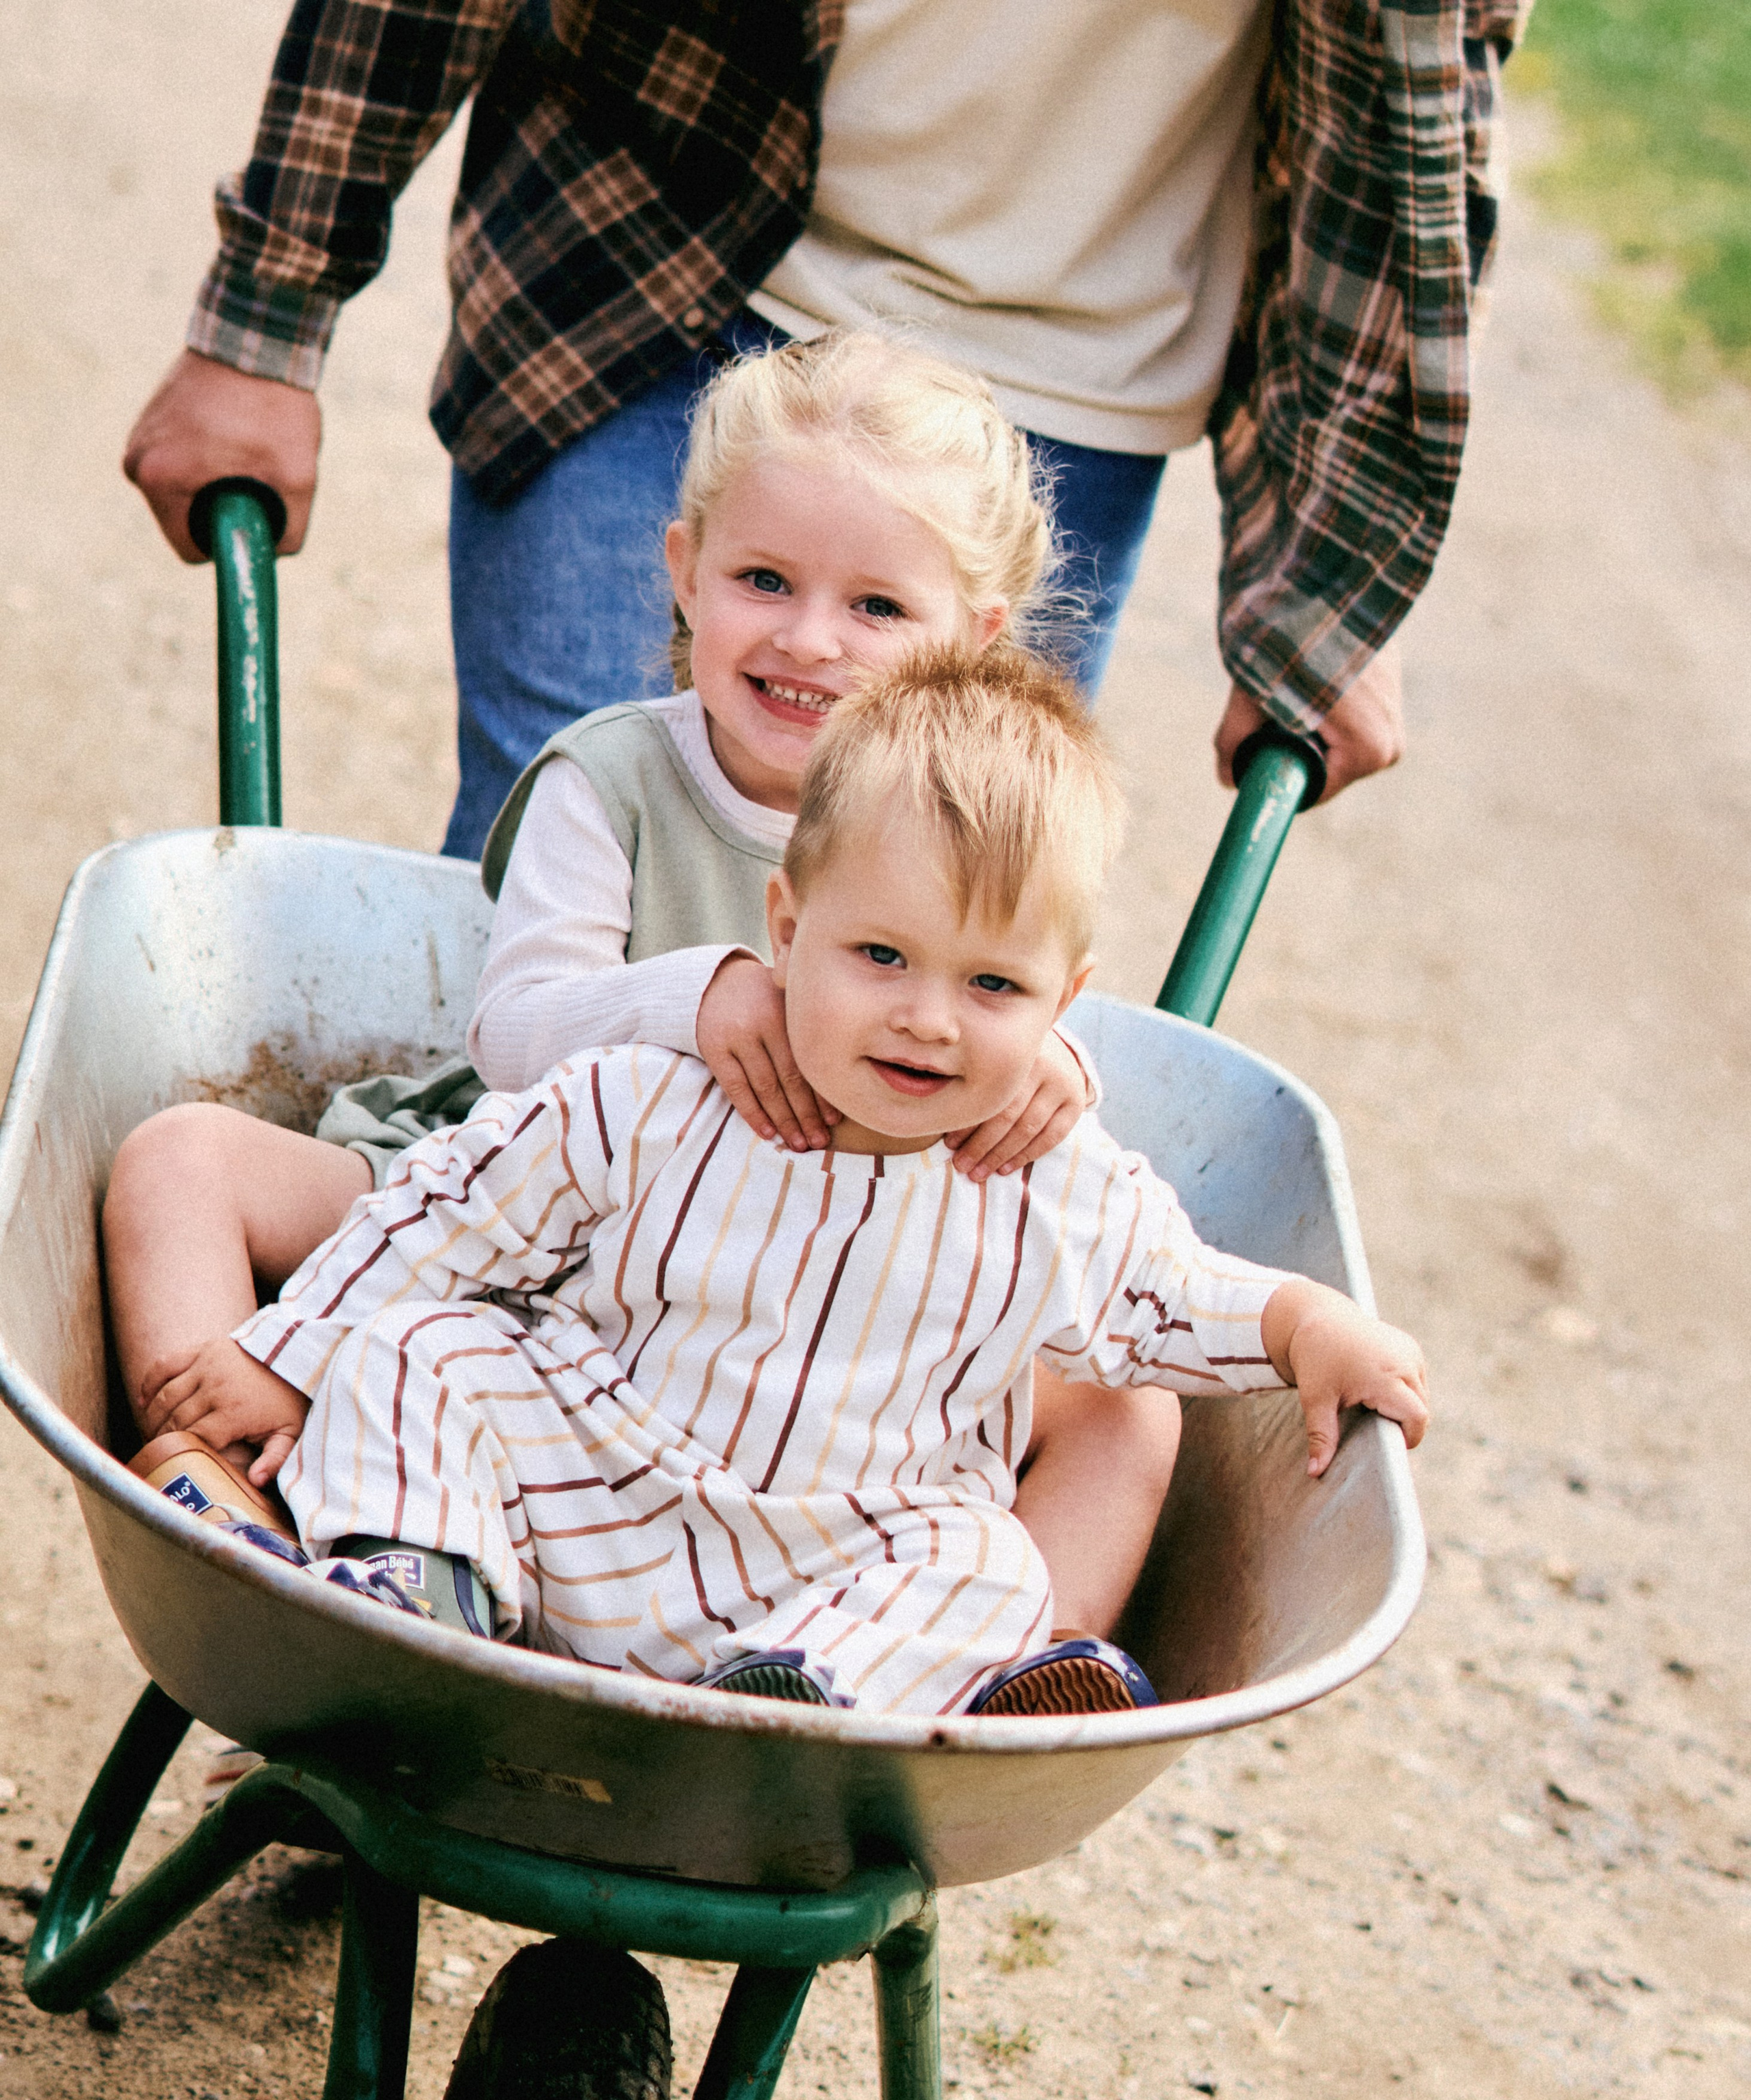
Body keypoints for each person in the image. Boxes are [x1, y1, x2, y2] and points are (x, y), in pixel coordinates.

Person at [108, 333, 1181, 1650]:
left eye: (878, 609)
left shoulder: (987, 828)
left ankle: (994, 1673)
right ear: (687, 572)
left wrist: (1049, 1074)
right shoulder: (613, 778)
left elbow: (1011, 1025)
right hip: (538, 1234)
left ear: (978, 640)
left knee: (1130, 1407)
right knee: (181, 1160)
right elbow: (513, 1034)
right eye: (765, 580)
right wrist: (700, 993)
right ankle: (228, 1483)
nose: (809, 640)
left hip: (802, 1306)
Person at [137, 646, 1430, 1717]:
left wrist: (1307, 1325)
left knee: (983, 1557)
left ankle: (801, 1700)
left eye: (992, 986)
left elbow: (1171, 1295)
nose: (929, 1020)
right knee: (430, 1344)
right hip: (594, 1495)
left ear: (1065, 1006)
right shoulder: (649, 1099)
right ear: (789, 928)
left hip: (831, 1565)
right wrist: (293, 1353)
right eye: (881, 956)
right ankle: (421, 1589)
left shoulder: (1049, 1183)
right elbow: (448, 1214)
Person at [120, 0, 1527, 857]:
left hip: (1064, 372)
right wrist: (264, 315)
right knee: (577, 834)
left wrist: (1332, 579)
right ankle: (478, 1308)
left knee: (919, 909)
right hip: (663, 247)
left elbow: (1413, 122)